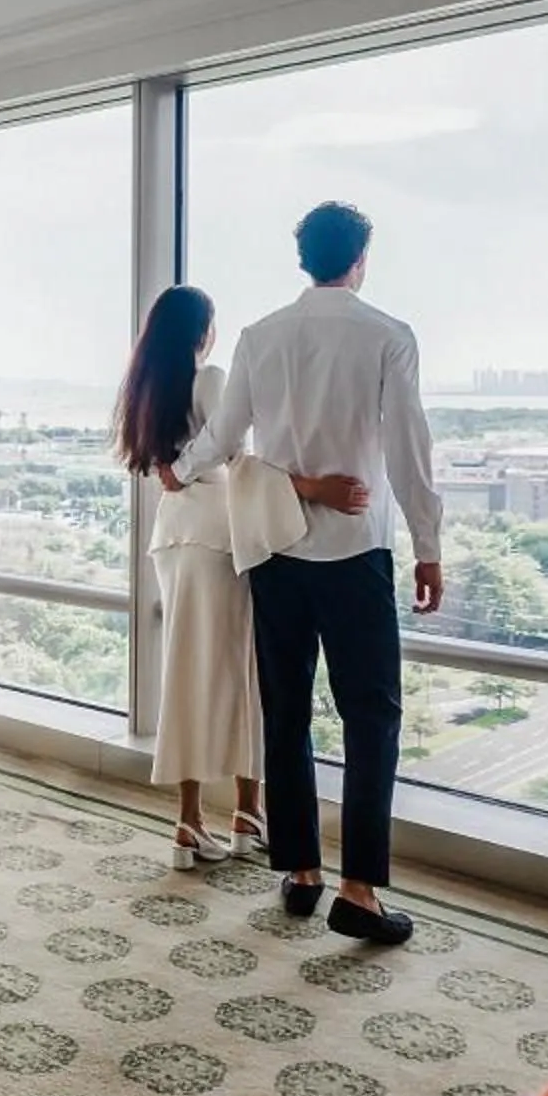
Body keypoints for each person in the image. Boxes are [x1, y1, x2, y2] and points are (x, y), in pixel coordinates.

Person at [162, 202, 443, 946]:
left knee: (286, 713)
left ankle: (301, 874)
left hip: (275, 552)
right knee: (372, 718)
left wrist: (178, 469)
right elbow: (410, 449)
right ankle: (358, 890)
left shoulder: (260, 337)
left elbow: (222, 441)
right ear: (360, 260)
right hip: (354, 552)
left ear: (303, 260)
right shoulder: (388, 336)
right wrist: (429, 544)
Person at [115, 285, 369, 870]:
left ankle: (196, 821)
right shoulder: (207, 379)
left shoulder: (145, 390)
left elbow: (173, 471)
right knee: (246, 673)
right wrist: (312, 488)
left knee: (188, 673)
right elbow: (241, 462)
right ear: (202, 330)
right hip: (220, 540)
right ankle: (241, 815)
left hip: (174, 540)